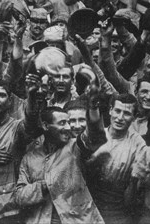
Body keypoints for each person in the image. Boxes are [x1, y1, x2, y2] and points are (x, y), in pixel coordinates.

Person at [11, 91, 107, 224]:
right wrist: (46, 185)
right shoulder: (29, 158)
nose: (69, 127)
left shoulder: (75, 148)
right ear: (45, 126)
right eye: (62, 123)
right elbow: (19, 197)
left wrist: (94, 110)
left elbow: (94, 136)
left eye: (68, 122)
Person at [86, 93, 150, 224]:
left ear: (134, 117)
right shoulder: (96, 134)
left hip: (115, 211)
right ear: (110, 110)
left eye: (126, 113)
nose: (120, 118)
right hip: (87, 206)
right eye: (117, 111)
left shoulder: (137, 143)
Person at [0, 78, 40, 223]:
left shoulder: (17, 128)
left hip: (8, 210)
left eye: (1, 95)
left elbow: (30, 123)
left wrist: (32, 95)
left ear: (10, 100)